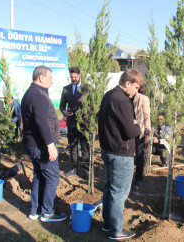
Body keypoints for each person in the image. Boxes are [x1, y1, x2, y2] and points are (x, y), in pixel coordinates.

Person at [98, 69, 144, 240]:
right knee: (119, 193)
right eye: (136, 87)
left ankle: (108, 224)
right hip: (121, 153)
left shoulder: (108, 96)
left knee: (109, 188)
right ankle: (116, 229)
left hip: (108, 150)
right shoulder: (123, 101)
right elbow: (131, 131)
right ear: (127, 83)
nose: (136, 91)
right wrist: (137, 125)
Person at [21, 65, 67, 222]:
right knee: (52, 177)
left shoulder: (30, 92)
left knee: (40, 176)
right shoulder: (38, 95)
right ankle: (48, 212)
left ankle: (35, 211)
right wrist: (50, 145)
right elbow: (40, 121)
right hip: (40, 145)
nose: (52, 82)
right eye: (50, 78)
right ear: (41, 78)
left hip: (32, 143)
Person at [59, 67, 89, 178]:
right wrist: (64, 111)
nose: (74, 79)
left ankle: (86, 170)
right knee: (73, 146)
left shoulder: (87, 88)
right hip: (71, 122)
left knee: (85, 147)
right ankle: (74, 168)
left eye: (75, 76)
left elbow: (91, 106)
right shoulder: (66, 89)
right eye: (72, 77)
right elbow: (62, 105)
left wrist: (83, 112)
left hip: (84, 123)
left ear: (80, 75)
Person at [131, 88, 151, 190]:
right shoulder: (126, 97)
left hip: (140, 133)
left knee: (140, 156)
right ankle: (129, 178)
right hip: (128, 132)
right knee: (129, 156)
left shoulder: (143, 99)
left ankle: (138, 180)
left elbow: (147, 116)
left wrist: (148, 131)